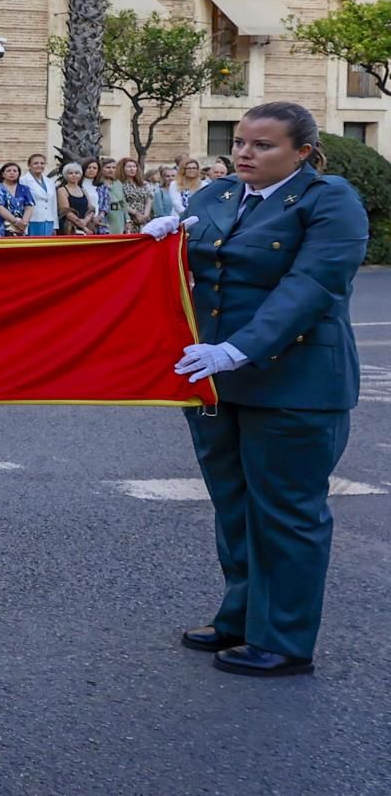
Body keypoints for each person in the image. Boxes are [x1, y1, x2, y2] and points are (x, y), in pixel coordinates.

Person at [145, 102, 368, 678]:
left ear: (303, 153)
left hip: (293, 379)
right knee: (235, 505)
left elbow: (313, 284)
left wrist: (238, 348)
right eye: (240, 142)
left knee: (287, 512)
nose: (244, 152)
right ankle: (242, 616)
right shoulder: (214, 197)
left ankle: (285, 638)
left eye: (263, 145)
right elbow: (186, 271)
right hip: (215, 379)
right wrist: (148, 248)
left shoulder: (328, 199)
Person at [0, 162, 33, 237]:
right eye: (8, 171)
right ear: (3, 174)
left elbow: (29, 207)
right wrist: (16, 222)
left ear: (18, 174)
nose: (12, 173)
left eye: (15, 171)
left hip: (21, 228)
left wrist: (24, 223)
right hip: (0, 226)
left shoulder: (25, 189)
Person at [19, 153, 57, 235]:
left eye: (42, 163)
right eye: (36, 163)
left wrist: (55, 225)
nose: (39, 165)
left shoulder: (50, 181)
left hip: (48, 220)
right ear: (29, 165)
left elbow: (53, 204)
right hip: (32, 220)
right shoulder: (23, 181)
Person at [56, 161, 97, 235]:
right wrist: (82, 225)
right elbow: (65, 211)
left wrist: (86, 220)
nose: (74, 175)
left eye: (76, 173)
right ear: (65, 175)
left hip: (86, 226)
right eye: (70, 173)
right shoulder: (62, 190)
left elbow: (91, 208)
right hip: (69, 227)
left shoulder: (83, 190)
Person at [117, 158, 153, 234]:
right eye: (129, 167)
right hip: (128, 217)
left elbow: (148, 200)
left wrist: (145, 215)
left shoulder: (144, 184)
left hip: (144, 217)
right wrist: (135, 214)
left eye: (134, 166)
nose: (132, 169)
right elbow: (121, 202)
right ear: (123, 169)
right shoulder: (119, 184)